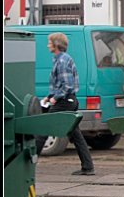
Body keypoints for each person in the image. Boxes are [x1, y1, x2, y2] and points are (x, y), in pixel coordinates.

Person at [35, 32, 95, 175]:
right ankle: (88, 167)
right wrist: (49, 97)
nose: (48, 45)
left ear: (56, 44)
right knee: (75, 135)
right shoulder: (61, 59)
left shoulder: (62, 61)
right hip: (70, 101)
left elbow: (67, 85)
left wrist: (55, 98)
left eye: (50, 42)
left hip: (64, 102)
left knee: (43, 129)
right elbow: (60, 83)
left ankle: (28, 165)